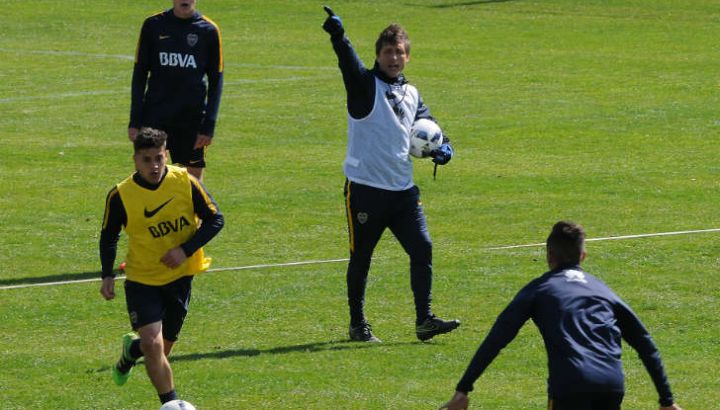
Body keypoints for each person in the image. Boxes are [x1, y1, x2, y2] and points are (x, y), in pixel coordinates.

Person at [322, 6, 460, 343]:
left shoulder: (411, 93)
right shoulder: (363, 85)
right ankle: (358, 325)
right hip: (366, 190)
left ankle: (424, 320)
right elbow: (347, 62)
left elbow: (431, 129)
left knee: (422, 248)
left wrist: (445, 149)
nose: (394, 57)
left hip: (403, 191)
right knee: (362, 258)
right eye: (388, 52)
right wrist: (339, 37)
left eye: (399, 52)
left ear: (408, 57)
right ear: (378, 55)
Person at [439, 221, 683, 410]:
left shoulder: (538, 289)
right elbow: (645, 343)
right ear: (583, 256)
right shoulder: (603, 291)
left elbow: (497, 338)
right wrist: (666, 399)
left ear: (549, 256)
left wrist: (464, 389)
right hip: (611, 384)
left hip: (570, 385)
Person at [99, 128, 224, 405]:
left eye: (159, 158)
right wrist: (107, 274)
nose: (154, 166)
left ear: (166, 154)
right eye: (146, 160)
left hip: (181, 276)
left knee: (161, 352)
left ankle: (132, 351)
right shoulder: (121, 195)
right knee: (154, 347)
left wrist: (184, 250)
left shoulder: (186, 182)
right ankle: (171, 403)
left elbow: (216, 219)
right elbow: (109, 235)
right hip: (142, 279)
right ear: (135, 160)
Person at [128, 0, 224, 181]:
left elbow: (216, 80)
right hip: (155, 116)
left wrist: (208, 125)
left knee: (192, 183)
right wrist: (135, 120)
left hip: (191, 118)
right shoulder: (153, 25)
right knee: (150, 173)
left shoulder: (208, 31)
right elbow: (139, 74)